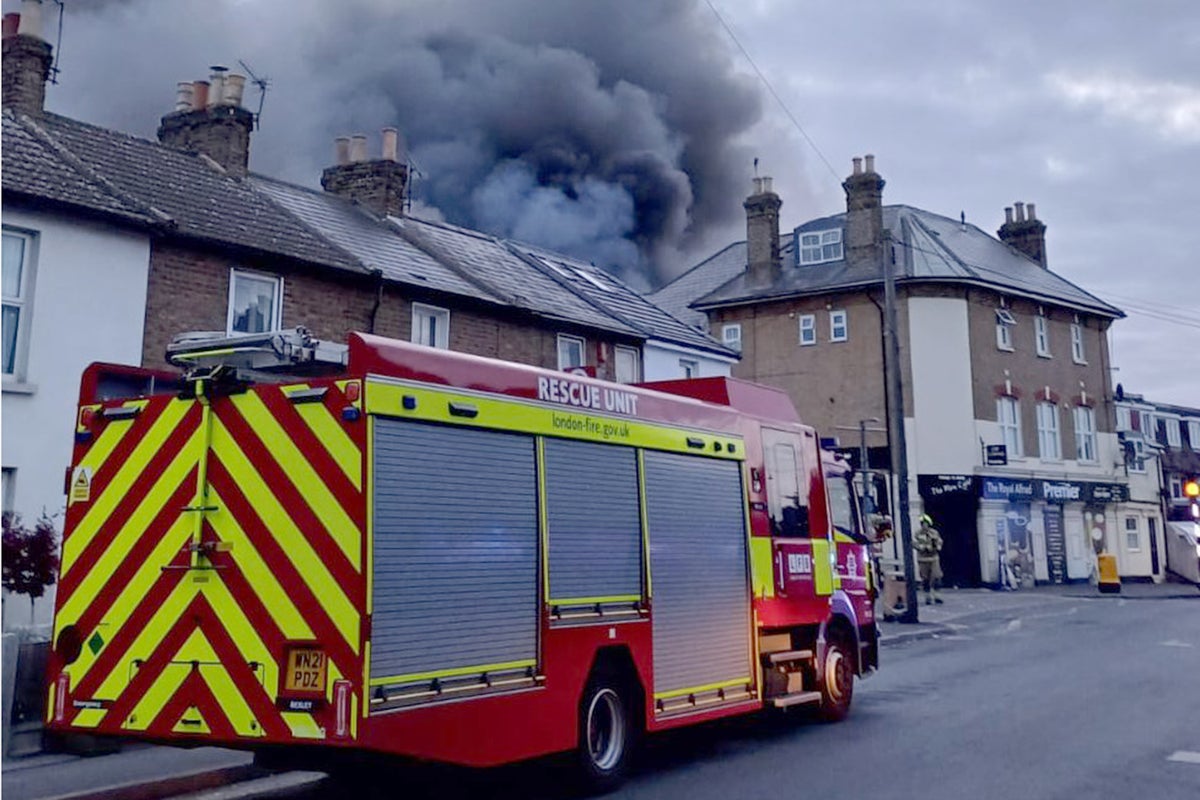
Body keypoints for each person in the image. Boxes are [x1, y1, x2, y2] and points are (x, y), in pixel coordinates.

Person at [914, 513, 944, 605]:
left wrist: (937, 547)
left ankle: (937, 595)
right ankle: (927, 597)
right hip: (923, 559)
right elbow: (915, 544)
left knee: (936, 577)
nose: (924, 525)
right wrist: (922, 547)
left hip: (934, 558)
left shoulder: (934, 533)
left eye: (926, 523)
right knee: (925, 579)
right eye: (923, 523)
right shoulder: (917, 534)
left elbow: (939, 542)